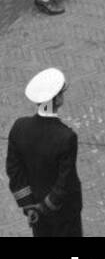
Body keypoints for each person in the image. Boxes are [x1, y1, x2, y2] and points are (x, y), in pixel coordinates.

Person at [6, 68, 82, 237]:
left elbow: (14, 171)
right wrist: (44, 207)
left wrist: (29, 206)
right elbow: (65, 182)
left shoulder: (19, 127)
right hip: (64, 214)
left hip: (35, 212)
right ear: (57, 99)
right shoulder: (66, 137)